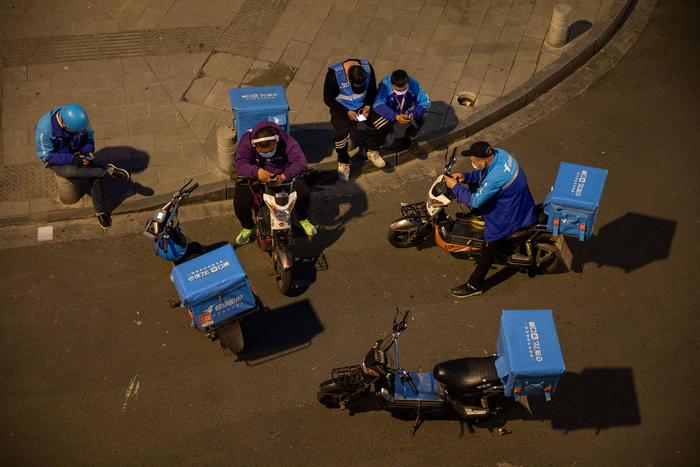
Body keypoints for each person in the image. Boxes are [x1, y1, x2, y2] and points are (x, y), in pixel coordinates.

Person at [444, 141, 537, 298]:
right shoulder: (499, 154)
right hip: (519, 201)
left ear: (482, 161)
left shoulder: (496, 177)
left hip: (509, 213)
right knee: (476, 188)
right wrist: (465, 177)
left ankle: (474, 285)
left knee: (489, 246)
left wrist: (455, 187)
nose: (472, 164)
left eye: (473, 162)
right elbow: (483, 175)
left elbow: (474, 201)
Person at [35, 103, 130, 230]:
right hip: (59, 159)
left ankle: (100, 212)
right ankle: (105, 170)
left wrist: (87, 150)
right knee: (70, 172)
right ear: (64, 124)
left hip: (78, 152)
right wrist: (73, 159)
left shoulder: (79, 122)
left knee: (94, 178)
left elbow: (89, 136)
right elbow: (47, 155)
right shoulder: (45, 129)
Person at [233, 121, 317, 245]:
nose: (267, 155)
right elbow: (240, 164)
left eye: (271, 151)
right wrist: (257, 172)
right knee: (241, 204)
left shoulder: (286, 140)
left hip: (283, 177)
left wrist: (284, 176)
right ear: (255, 145)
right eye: (264, 152)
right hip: (256, 179)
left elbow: (300, 162)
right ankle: (248, 227)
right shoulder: (247, 140)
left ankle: (302, 218)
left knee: (304, 194)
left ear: (276, 141)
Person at [323, 58, 380, 181]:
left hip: (364, 107)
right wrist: (346, 111)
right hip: (343, 109)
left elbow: (372, 90)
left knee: (379, 123)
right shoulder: (334, 75)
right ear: (348, 78)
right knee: (339, 135)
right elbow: (328, 98)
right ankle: (344, 161)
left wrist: (368, 105)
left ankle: (370, 149)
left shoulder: (368, 68)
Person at [367, 69, 430, 160]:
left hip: (406, 110)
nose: (401, 92)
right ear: (392, 84)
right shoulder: (384, 86)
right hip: (391, 113)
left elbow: (425, 101)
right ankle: (372, 139)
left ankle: (409, 137)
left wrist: (413, 114)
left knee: (423, 115)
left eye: (404, 90)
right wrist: (395, 117)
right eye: (398, 90)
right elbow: (377, 104)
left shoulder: (414, 84)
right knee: (388, 143)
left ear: (407, 82)